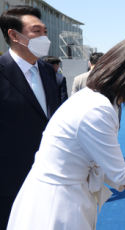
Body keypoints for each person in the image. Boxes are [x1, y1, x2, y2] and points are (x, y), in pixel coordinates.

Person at [6, 36, 125, 230]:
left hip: (65, 194)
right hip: (56, 205)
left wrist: (118, 178)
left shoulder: (98, 100)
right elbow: (121, 174)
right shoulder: (97, 109)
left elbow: (101, 164)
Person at [0, 6, 61, 228]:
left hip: (48, 175)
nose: (45, 37)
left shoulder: (47, 71)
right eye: (36, 31)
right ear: (14, 35)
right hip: (9, 182)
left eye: (45, 31)